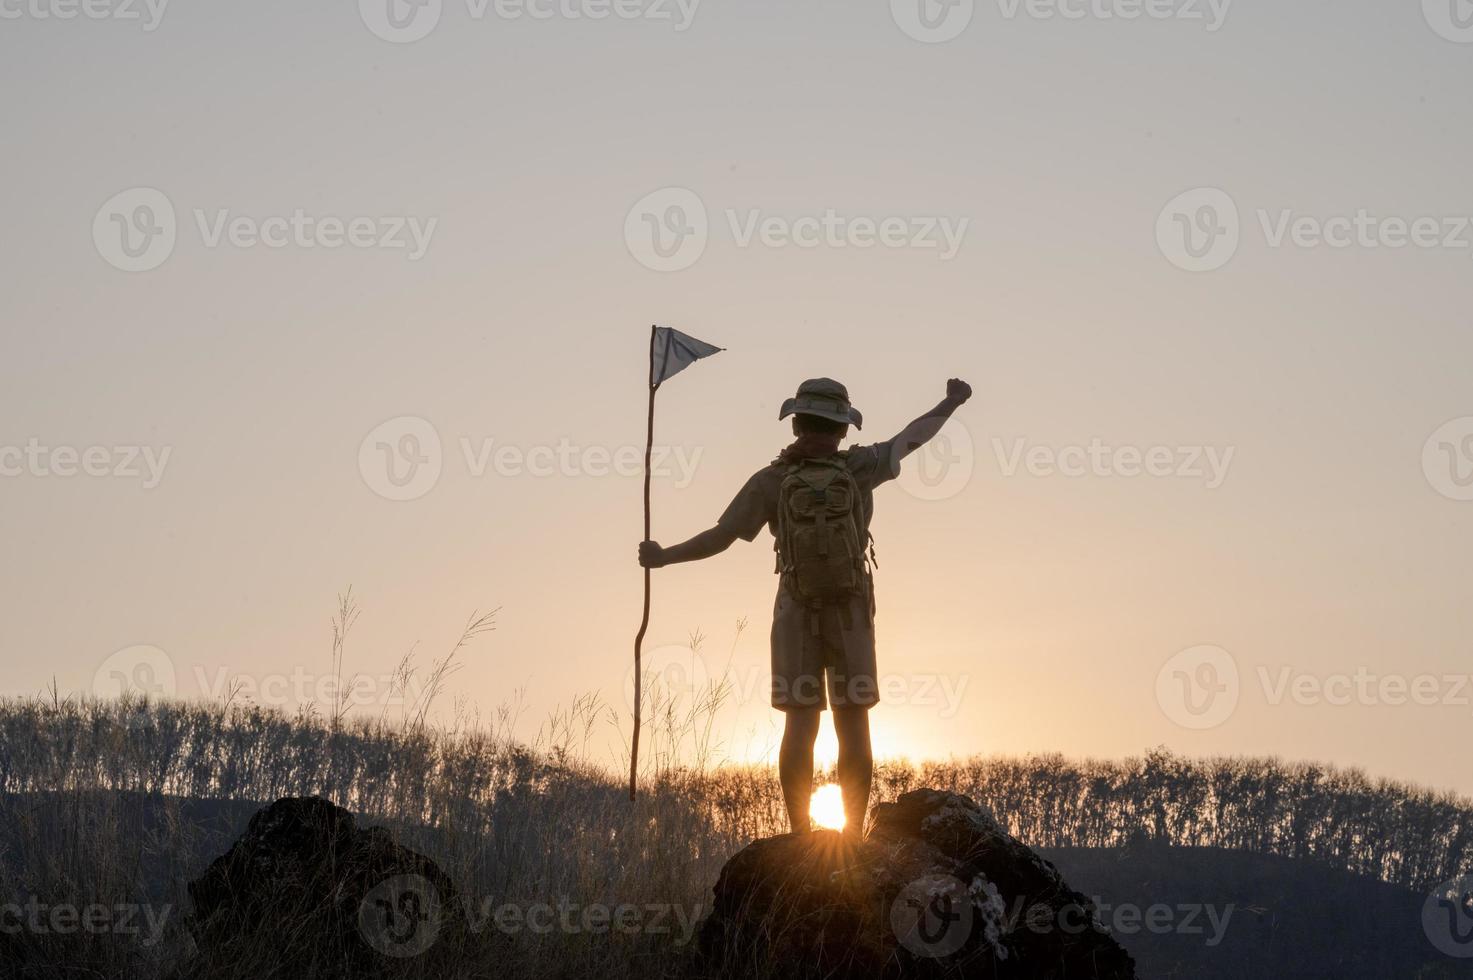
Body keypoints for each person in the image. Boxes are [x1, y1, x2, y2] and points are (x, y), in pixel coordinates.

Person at [638, 376, 972, 837]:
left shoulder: (772, 480)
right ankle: (852, 834)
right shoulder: (859, 466)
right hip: (851, 610)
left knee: (800, 723)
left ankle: (799, 835)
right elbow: (913, 438)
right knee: (853, 721)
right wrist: (951, 402)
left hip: (795, 609)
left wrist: (662, 557)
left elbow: (721, 538)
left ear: (795, 422)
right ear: (842, 428)